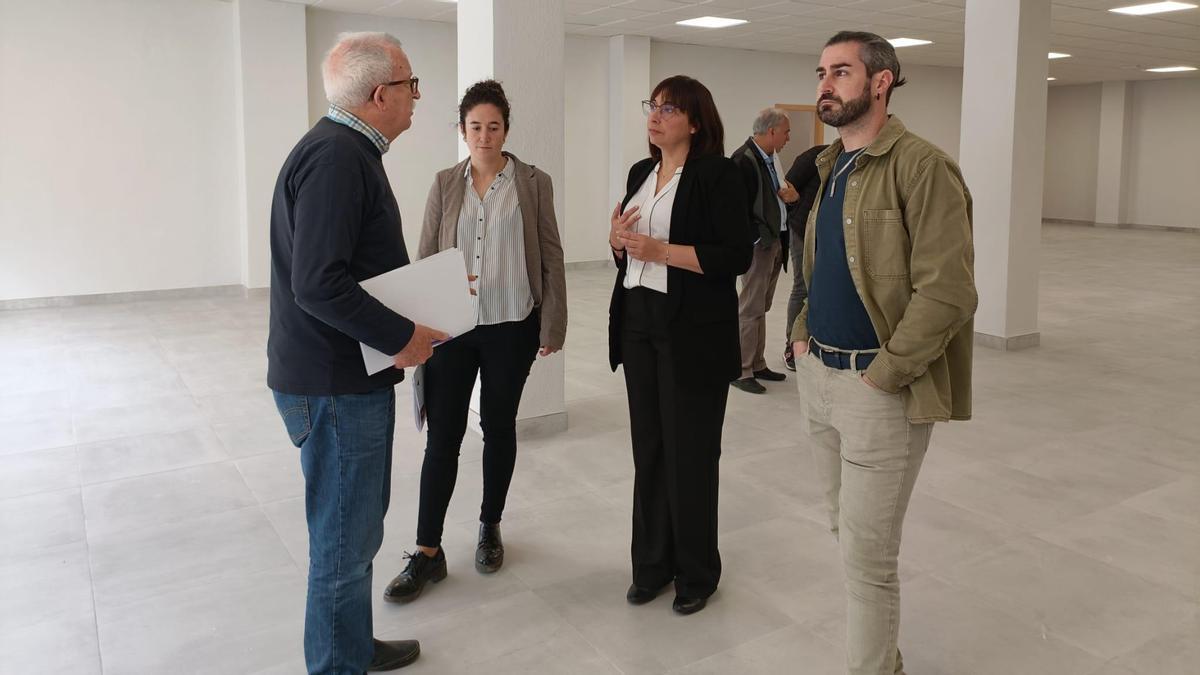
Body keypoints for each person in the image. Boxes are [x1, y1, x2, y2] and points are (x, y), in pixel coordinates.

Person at [791, 31, 977, 675]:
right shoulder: (829, 165)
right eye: (821, 72)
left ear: (880, 82)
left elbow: (948, 291)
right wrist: (799, 331)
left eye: (840, 72)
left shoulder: (922, 167)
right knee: (848, 536)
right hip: (818, 374)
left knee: (868, 564)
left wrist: (885, 374)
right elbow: (815, 268)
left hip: (879, 392)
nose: (825, 84)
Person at [267, 32, 443, 673]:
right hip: (334, 384)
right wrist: (402, 337)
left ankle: (350, 645)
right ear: (379, 94)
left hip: (337, 375)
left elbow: (344, 271)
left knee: (354, 532)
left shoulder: (342, 150)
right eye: (411, 85)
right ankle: (338, 663)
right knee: (344, 540)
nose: (417, 97)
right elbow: (317, 282)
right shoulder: (339, 157)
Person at [383, 80, 567, 604]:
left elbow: (551, 253)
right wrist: (415, 328)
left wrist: (552, 323)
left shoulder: (533, 182)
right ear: (461, 130)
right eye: (474, 127)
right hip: (451, 331)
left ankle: (490, 526)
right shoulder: (445, 183)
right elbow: (424, 256)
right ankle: (426, 552)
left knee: (498, 426)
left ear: (506, 129)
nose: (484, 136)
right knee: (442, 437)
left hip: (512, 326)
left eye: (493, 126)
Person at [607, 75, 752, 616]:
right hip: (639, 322)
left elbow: (734, 255)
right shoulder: (640, 173)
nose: (656, 114)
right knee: (650, 449)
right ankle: (651, 565)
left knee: (690, 454)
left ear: (694, 122)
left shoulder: (718, 175)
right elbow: (630, 249)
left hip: (693, 331)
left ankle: (696, 573)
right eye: (653, 105)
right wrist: (618, 242)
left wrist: (660, 249)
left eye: (669, 108)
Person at [729, 108, 800, 394]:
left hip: (774, 244)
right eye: (786, 132)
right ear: (771, 131)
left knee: (761, 307)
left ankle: (757, 364)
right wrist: (756, 239)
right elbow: (736, 208)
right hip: (760, 246)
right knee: (749, 308)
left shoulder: (771, 160)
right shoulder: (743, 160)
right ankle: (741, 369)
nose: (787, 138)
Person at [781, 143, 828, 371]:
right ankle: (791, 345)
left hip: (826, 233)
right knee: (802, 287)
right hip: (801, 230)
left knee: (820, 287)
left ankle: (812, 341)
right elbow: (786, 188)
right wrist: (797, 202)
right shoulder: (814, 155)